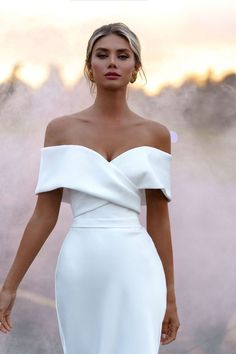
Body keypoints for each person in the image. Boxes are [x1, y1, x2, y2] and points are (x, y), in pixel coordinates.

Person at [0, 22, 180, 353]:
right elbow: (43, 216)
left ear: (135, 69)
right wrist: (9, 286)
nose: (112, 62)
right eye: (103, 55)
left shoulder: (156, 134)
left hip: (138, 267)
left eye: (122, 56)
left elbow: (159, 220)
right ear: (89, 67)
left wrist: (170, 296)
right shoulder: (60, 130)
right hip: (80, 265)